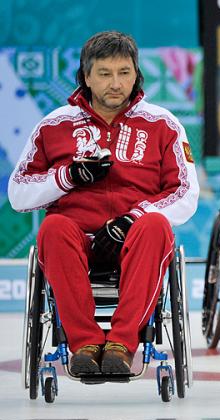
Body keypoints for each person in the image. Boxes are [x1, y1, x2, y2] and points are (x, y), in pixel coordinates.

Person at [7, 31, 199, 375]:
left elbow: (186, 193)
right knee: (53, 227)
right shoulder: (54, 125)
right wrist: (68, 177)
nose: (116, 83)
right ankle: (84, 345)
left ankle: (121, 346)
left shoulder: (163, 124)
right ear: (86, 77)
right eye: (105, 74)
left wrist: (132, 218)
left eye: (124, 73)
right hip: (76, 236)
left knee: (155, 225)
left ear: (137, 74)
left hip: (136, 236)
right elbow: (19, 192)